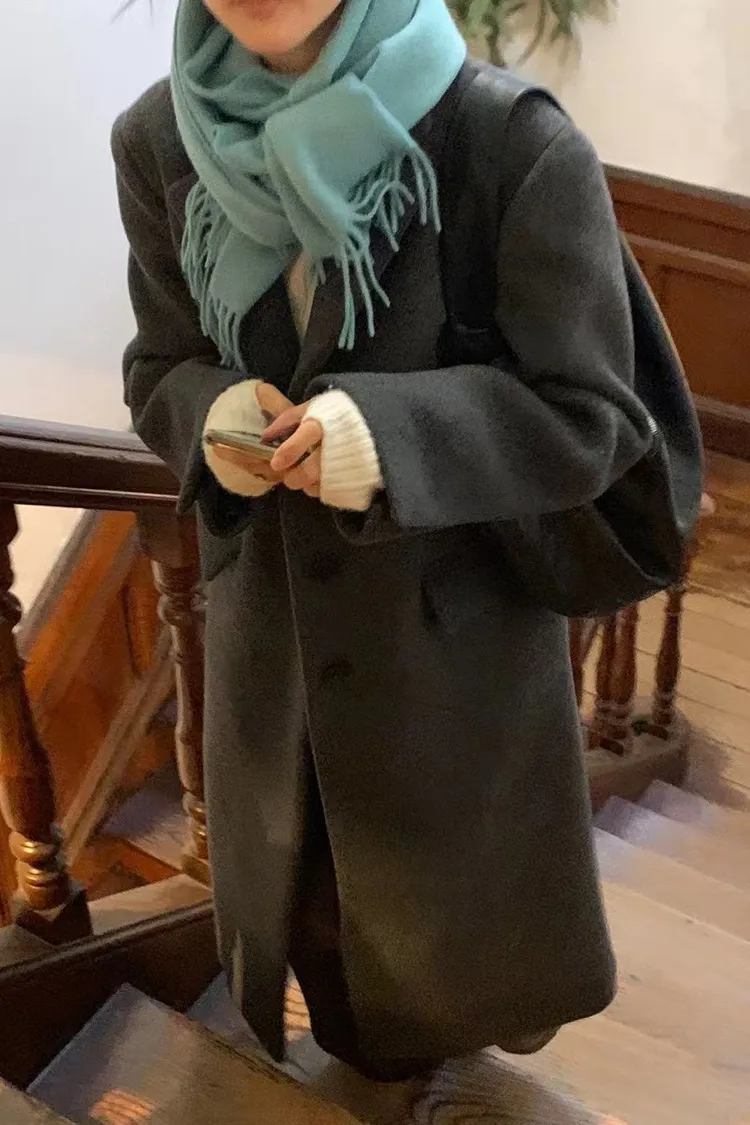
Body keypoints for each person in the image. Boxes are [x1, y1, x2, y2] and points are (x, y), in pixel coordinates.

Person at [112, 0, 657, 1083]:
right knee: (306, 922)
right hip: (270, 659)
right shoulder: (159, 138)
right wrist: (210, 416)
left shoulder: (508, 140)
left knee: (447, 968)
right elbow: (157, 364)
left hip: (447, 671)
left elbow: (594, 414)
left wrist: (390, 438)